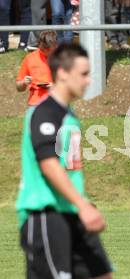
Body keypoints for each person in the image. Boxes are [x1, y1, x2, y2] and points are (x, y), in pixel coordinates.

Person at [16, 43, 113, 279]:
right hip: (46, 216)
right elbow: (48, 164)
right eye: (83, 74)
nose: (88, 80)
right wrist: (82, 205)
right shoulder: (44, 113)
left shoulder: (68, 114)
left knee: (102, 274)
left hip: (73, 213)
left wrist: (81, 206)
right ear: (62, 74)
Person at [16, 30, 57, 106]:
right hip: (35, 103)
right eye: (43, 49)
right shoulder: (30, 58)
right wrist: (24, 83)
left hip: (57, 102)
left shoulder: (62, 58)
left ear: (55, 45)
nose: (45, 51)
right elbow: (19, 88)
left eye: (49, 49)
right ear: (39, 45)